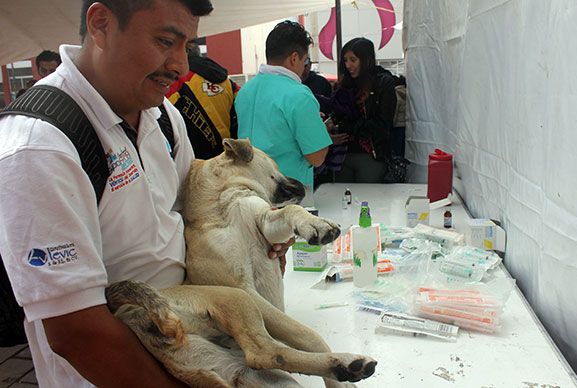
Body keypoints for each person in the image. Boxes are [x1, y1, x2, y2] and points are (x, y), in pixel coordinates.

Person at [0, 1, 290, 386]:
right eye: (165, 41)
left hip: (202, 342)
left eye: (185, 46)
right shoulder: (39, 147)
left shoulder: (163, 117)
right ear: (101, 24)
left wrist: (255, 234)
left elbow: (200, 214)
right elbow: (75, 331)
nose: (181, 66)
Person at [235, 21, 332, 201]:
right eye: (305, 61)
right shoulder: (298, 94)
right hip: (288, 194)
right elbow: (317, 157)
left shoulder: (245, 91)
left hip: (250, 191)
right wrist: (320, 127)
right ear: (294, 58)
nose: (305, 67)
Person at [330, 37, 399, 183]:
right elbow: (337, 114)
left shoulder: (383, 82)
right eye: (345, 60)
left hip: (371, 157)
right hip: (342, 156)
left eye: (353, 60)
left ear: (366, 59)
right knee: (342, 202)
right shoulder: (344, 85)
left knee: (367, 203)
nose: (348, 65)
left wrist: (345, 127)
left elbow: (383, 124)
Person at [166, 44, 240, 159]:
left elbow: (162, 116)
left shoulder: (179, 81)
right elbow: (242, 106)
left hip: (197, 160)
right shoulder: (227, 81)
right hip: (228, 153)